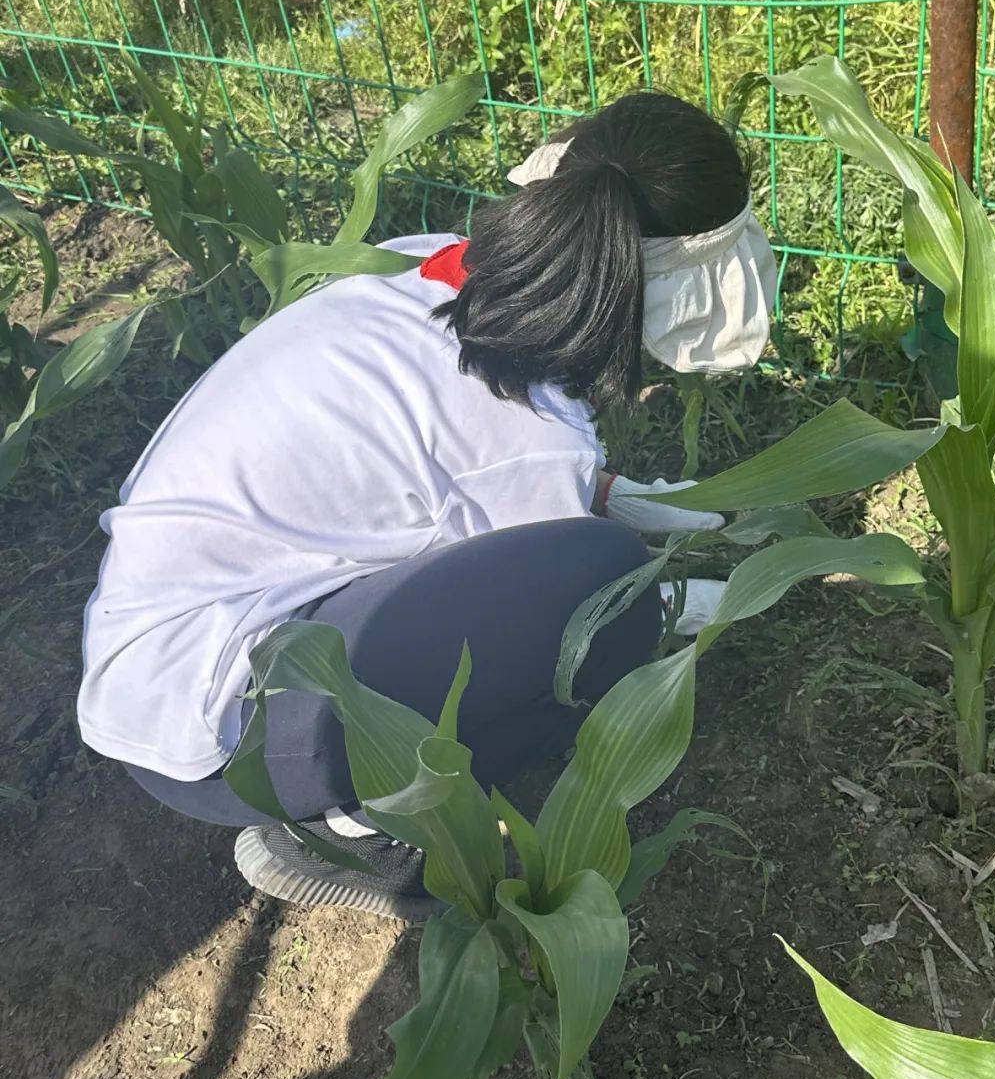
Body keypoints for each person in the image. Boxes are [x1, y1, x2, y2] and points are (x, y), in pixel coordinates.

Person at [77, 91, 777, 921]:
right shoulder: (527, 429)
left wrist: (644, 501)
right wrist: (688, 600)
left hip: (159, 642)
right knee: (605, 610)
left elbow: (455, 468)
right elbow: (551, 588)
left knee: (592, 569)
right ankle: (346, 830)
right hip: (221, 733)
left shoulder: (433, 264)